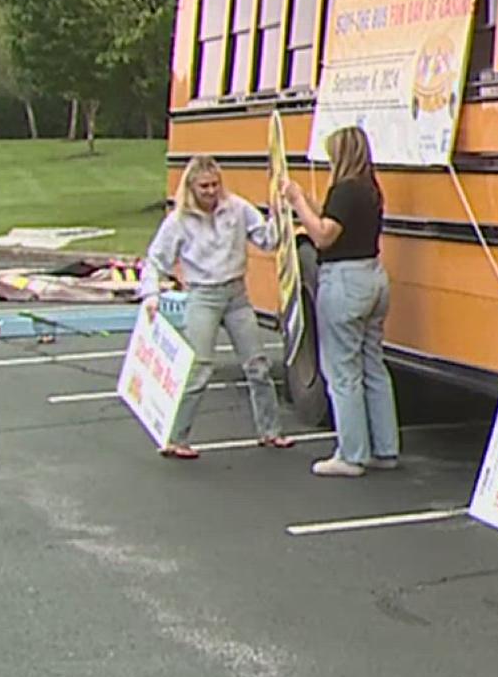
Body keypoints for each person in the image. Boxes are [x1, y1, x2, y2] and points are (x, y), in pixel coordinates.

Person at [139, 155, 294, 458]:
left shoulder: (236, 207)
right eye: (204, 187)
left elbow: (266, 240)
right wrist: (151, 294)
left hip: (236, 294)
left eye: (215, 185)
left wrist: (280, 215)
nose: (211, 192)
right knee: (199, 367)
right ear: (192, 187)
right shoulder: (179, 220)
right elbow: (156, 260)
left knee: (258, 365)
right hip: (203, 295)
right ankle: (176, 437)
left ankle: (270, 431)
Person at [285, 126, 397, 478]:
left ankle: (351, 454)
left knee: (342, 370)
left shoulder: (343, 189)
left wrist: (298, 201)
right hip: (374, 276)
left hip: (344, 281)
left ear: (341, 154)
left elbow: (322, 236)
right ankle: (385, 448)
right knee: (372, 365)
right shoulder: (370, 190)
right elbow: (336, 221)